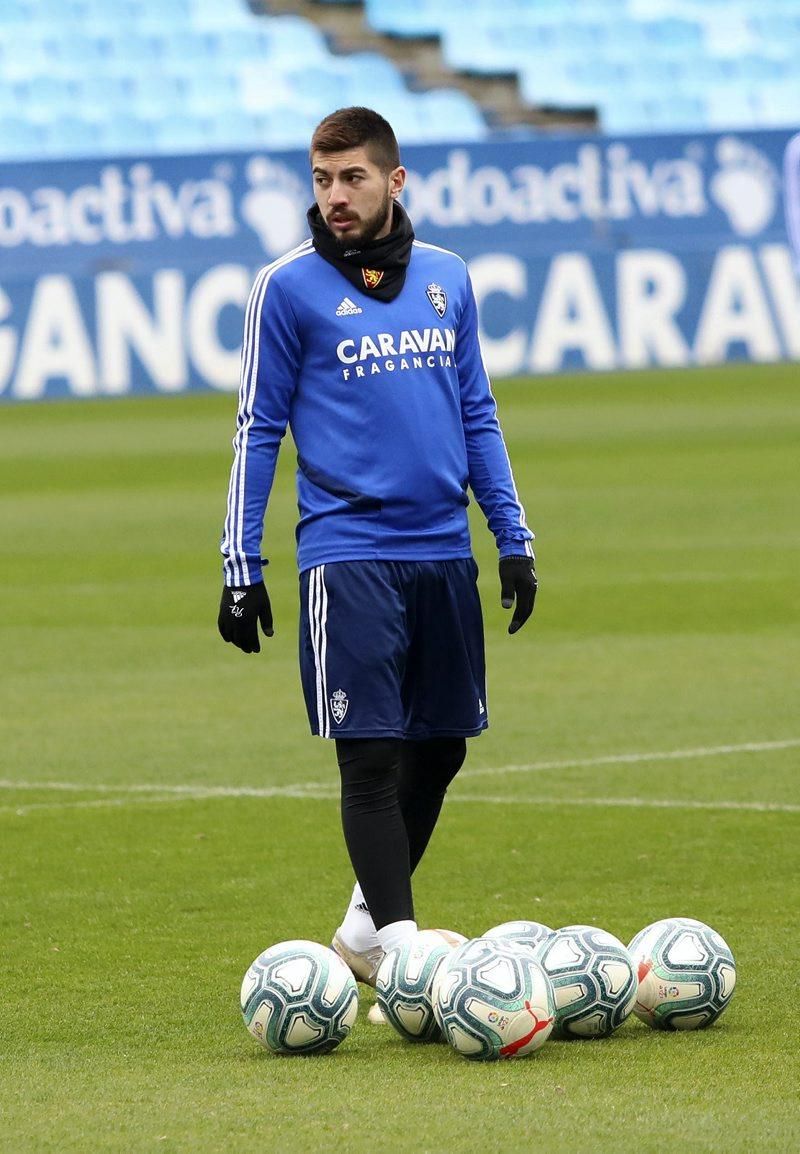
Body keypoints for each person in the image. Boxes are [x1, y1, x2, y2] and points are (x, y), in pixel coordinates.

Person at [218, 106, 536, 989]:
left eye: (351, 178)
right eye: (321, 181)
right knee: (370, 753)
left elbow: (477, 412)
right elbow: (258, 429)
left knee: (442, 747)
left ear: (395, 181)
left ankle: (363, 930)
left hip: (442, 550)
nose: (334, 197)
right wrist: (242, 567)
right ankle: (403, 951)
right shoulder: (286, 289)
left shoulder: (448, 279)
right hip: (346, 550)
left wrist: (512, 537)